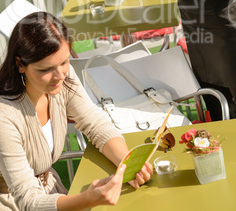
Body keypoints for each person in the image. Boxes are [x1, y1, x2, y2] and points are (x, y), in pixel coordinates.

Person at [0, 12, 152, 210]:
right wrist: (88, 199)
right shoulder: (5, 115)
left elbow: (94, 123)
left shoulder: (62, 77)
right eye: (45, 69)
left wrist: (128, 163)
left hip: (48, 192)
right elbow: (28, 201)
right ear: (20, 64)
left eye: (64, 61)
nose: (59, 75)